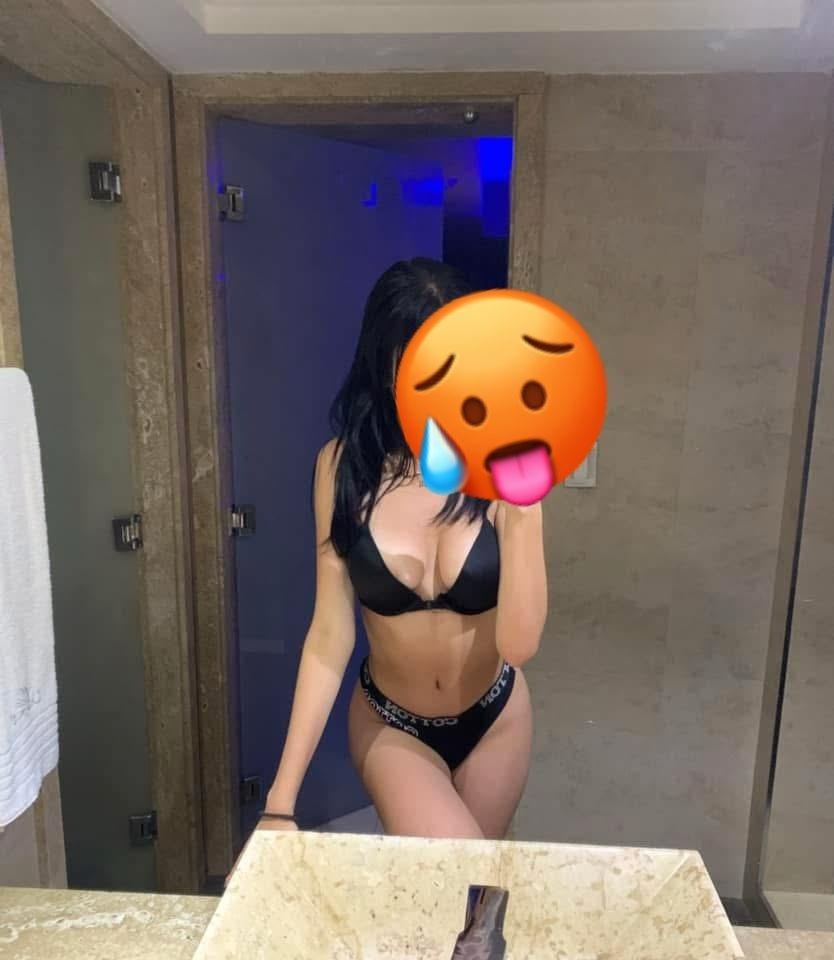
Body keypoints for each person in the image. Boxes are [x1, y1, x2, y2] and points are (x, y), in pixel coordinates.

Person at [232, 258, 547, 875]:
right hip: (392, 726)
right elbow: (330, 634)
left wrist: (525, 518)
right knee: (459, 879)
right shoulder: (340, 467)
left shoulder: (500, 465)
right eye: (417, 369)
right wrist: (280, 800)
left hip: (497, 719)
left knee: (473, 911)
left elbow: (521, 644)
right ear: (383, 365)